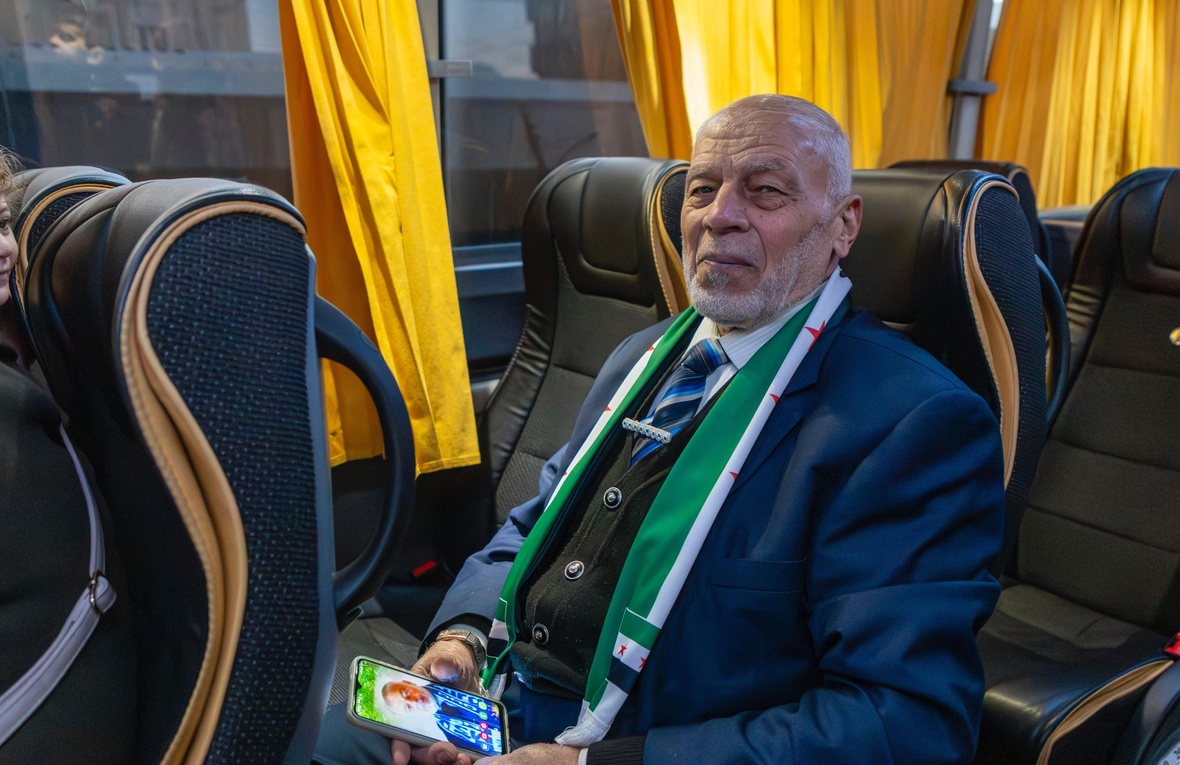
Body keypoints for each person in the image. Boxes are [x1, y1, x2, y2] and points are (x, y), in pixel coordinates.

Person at [325, 94, 1005, 765]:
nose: (720, 216)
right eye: (702, 188)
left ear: (843, 225)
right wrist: (464, 638)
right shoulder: (647, 354)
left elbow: (904, 723)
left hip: (639, 741)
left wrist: (602, 763)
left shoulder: (911, 422)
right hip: (501, 705)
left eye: (764, 192)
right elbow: (536, 523)